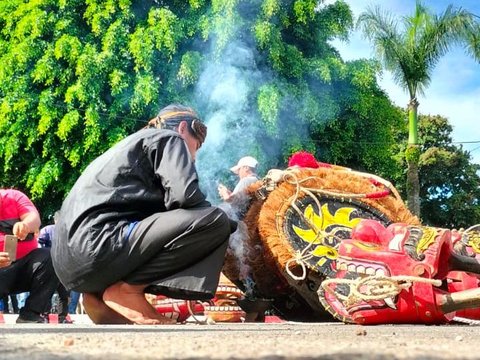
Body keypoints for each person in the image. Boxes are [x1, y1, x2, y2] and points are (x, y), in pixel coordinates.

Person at [51, 104, 236, 325]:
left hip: (67, 264)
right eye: (198, 142)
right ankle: (128, 291)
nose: (196, 152)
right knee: (215, 220)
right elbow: (185, 196)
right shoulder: (170, 138)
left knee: (188, 222)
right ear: (183, 128)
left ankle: (97, 295)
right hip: (97, 245)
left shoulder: (127, 146)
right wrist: (232, 225)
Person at [0, 189, 59, 323]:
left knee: (50, 256)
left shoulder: (14, 197)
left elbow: (34, 218)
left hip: (25, 268)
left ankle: (30, 313)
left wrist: (25, 225)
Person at [38, 212, 72, 323]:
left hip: (62, 267)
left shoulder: (68, 231)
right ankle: (46, 314)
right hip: (53, 266)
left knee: (63, 293)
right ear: (56, 220)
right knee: (50, 291)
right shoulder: (48, 230)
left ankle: (61, 316)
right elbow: (39, 245)